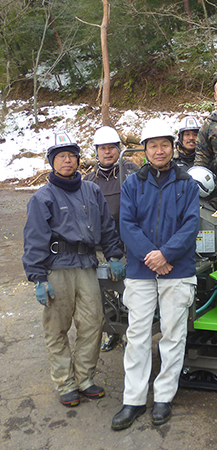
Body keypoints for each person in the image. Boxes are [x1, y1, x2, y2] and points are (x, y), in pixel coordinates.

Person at [22, 131, 125, 408]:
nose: (67, 160)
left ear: (79, 160)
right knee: (57, 328)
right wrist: (38, 278)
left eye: (71, 156)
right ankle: (65, 383)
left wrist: (114, 254)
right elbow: (34, 239)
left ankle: (85, 379)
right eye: (61, 156)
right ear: (51, 162)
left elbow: (106, 226)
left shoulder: (91, 190)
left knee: (93, 324)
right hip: (57, 268)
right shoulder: (42, 197)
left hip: (87, 266)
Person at [111, 118, 200, 430]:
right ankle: (133, 400)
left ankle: (163, 397)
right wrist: (153, 257)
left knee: (173, 335)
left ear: (172, 148)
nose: (159, 150)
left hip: (177, 270)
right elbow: (127, 224)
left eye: (164, 144)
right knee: (136, 337)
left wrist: (166, 254)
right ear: (144, 150)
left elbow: (192, 225)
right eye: (153, 146)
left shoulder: (187, 183)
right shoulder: (133, 185)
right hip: (141, 270)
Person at [84, 126, 139, 352]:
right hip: (101, 247)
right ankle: (111, 333)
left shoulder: (132, 171)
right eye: (103, 149)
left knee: (128, 292)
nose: (107, 152)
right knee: (104, 294)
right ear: (96, 152)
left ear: (119, 149)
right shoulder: (88, 180)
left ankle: (128, 334)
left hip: (128, 245)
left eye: (112, 148)